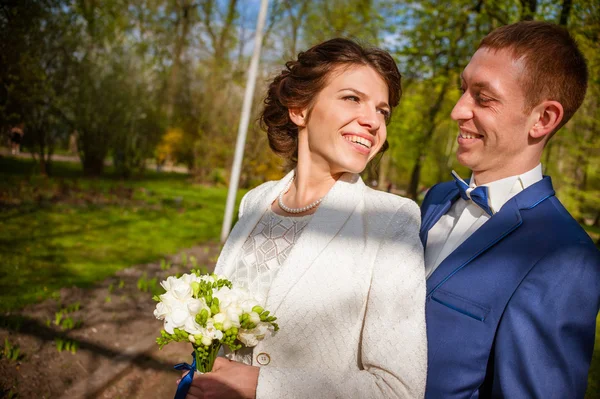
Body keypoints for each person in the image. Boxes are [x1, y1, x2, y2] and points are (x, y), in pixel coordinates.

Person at [183, 38, 427, 398]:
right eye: (352, 98)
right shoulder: (256, 202)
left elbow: (397, 389)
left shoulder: (390, 222)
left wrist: (261, 387)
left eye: (383, 111)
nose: (372, 121)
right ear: (299, 108)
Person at [420, 21, 600, 398]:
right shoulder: (435, 200)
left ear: (543, 119)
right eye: (462, 90)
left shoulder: (564, 257)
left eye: (483, 98)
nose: (457, 111)